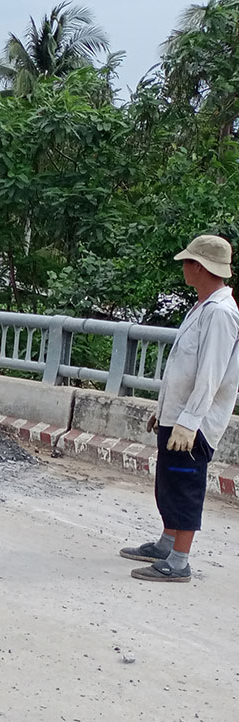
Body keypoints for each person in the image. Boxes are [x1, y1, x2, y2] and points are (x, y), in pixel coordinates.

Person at [122, 234, 239, 583]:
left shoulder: (220, 313)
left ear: (199, 267)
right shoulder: (202, 306)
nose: (184, 268)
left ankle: (179, 560)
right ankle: (167, 543)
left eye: (188, 262)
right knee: (169, 484)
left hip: (196, 422)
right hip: (180, 415)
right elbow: (183, 367)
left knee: (185, 485)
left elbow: (210, 375)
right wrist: (166, 409)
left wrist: (189, 422)